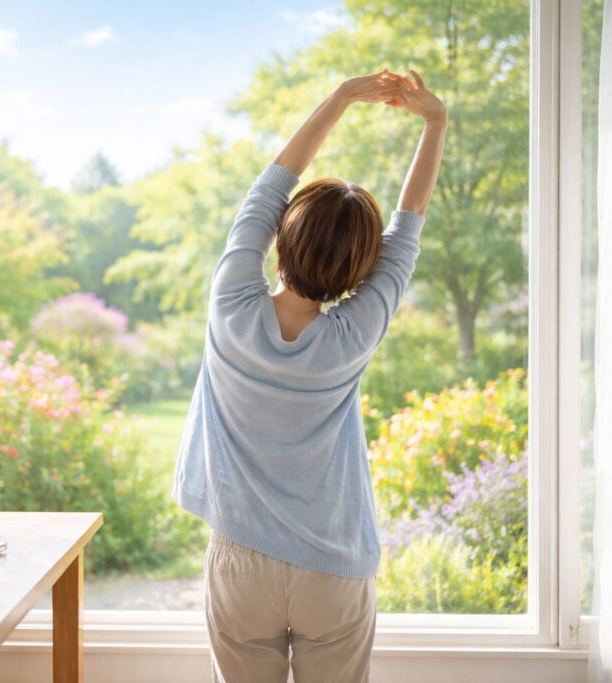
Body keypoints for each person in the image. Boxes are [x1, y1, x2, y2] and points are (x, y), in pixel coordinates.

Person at [171, 68, 447, 683]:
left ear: (280, 239)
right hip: (333, 568)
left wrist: (344, 96)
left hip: (241, 561)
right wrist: (435, 121)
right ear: (362, 269)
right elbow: (407, 231)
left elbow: (267, 192)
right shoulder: (353, 336)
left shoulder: (230, 306)